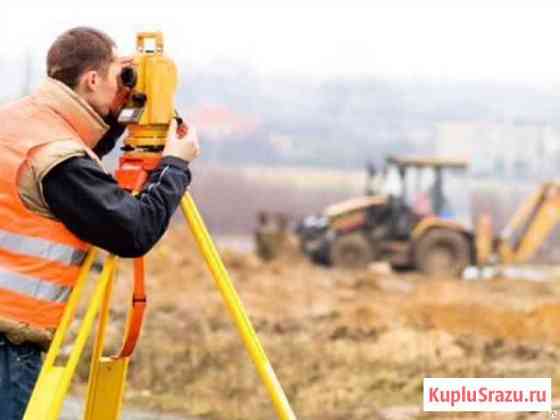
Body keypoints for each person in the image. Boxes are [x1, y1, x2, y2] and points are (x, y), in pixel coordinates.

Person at [0, 27, 200, 419]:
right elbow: (133, 230)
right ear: (92, 79)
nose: (124, 85)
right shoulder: (57, 158)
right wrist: (175, 165)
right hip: (9, 346)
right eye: (117, 77)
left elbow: (77, 166)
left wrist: (118, 114)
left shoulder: (19, 121)